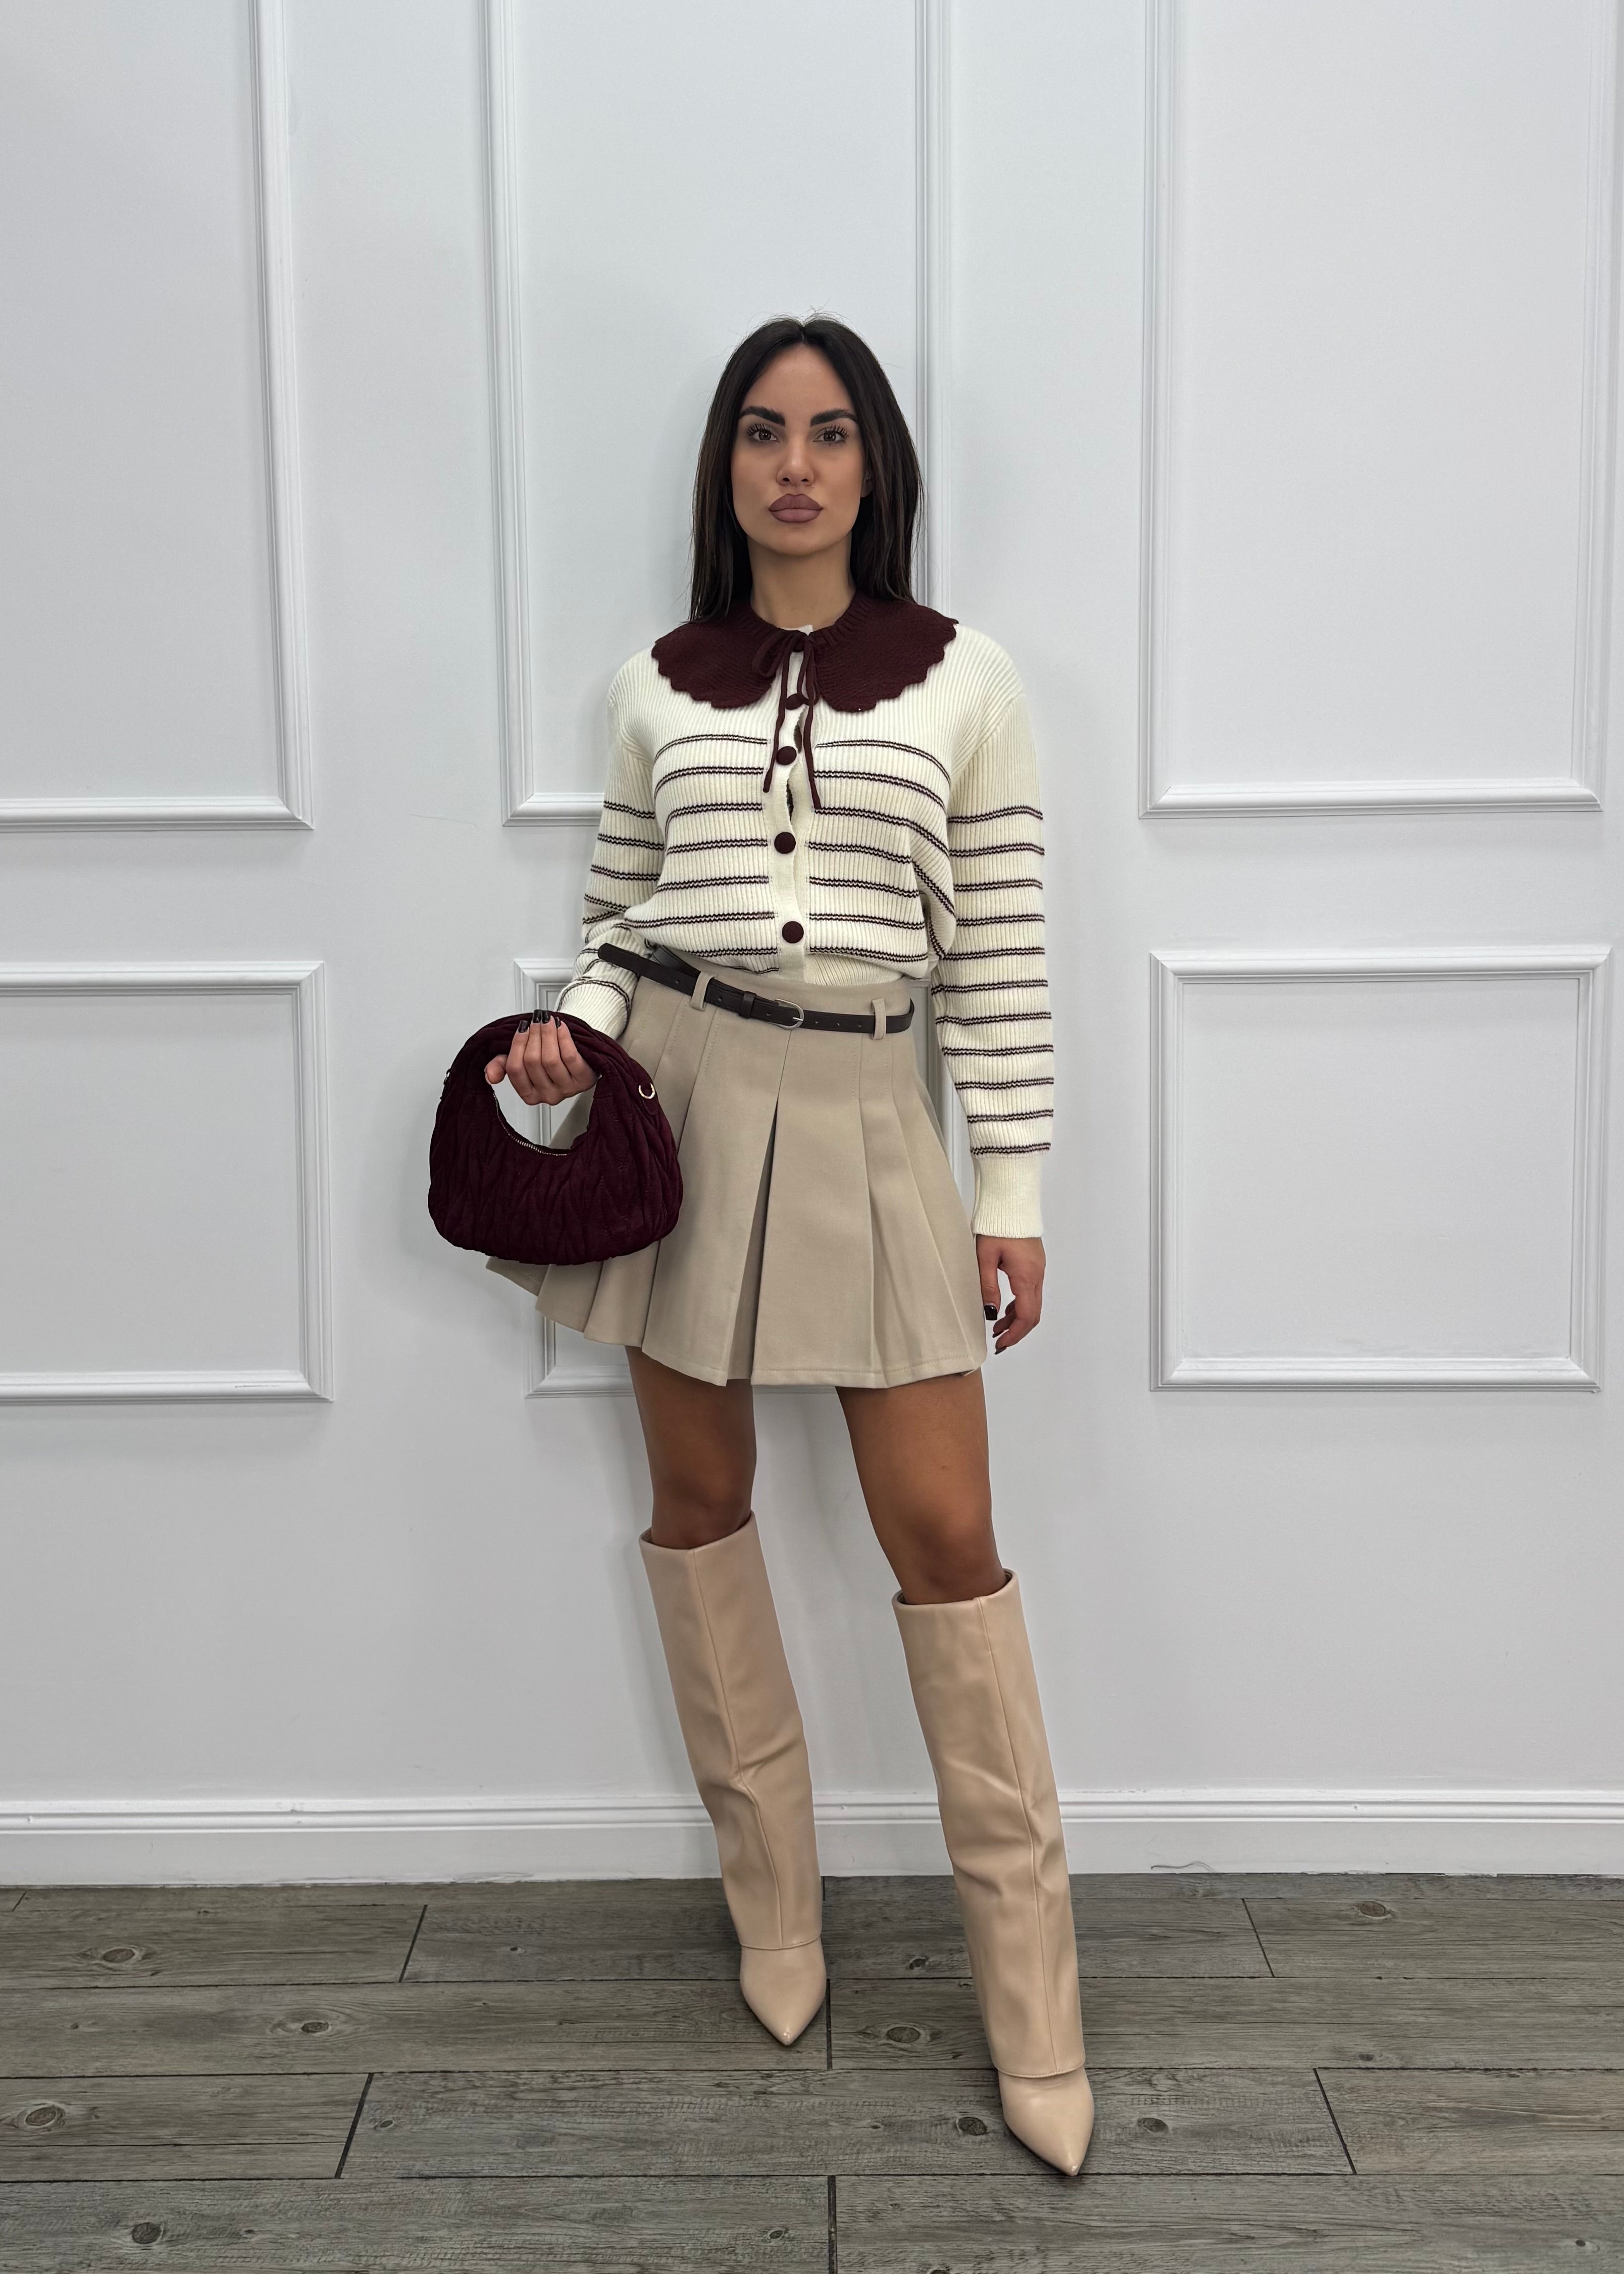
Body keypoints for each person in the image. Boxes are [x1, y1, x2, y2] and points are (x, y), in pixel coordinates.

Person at [484, 316, 1090, 2176]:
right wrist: (570, 1033)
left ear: (874, 465)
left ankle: (1037, 2009)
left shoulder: (970, 679)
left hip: (873, 1114)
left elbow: (1001, 955)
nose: (796, 466)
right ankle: (775, 1916)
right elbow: (618, 915)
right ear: (727, 467)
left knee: (948, 1543)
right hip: (685, 1103)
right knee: (701, 1509)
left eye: (829, 434)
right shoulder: (654, 685)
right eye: (763, 432)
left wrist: (1010, 1193)